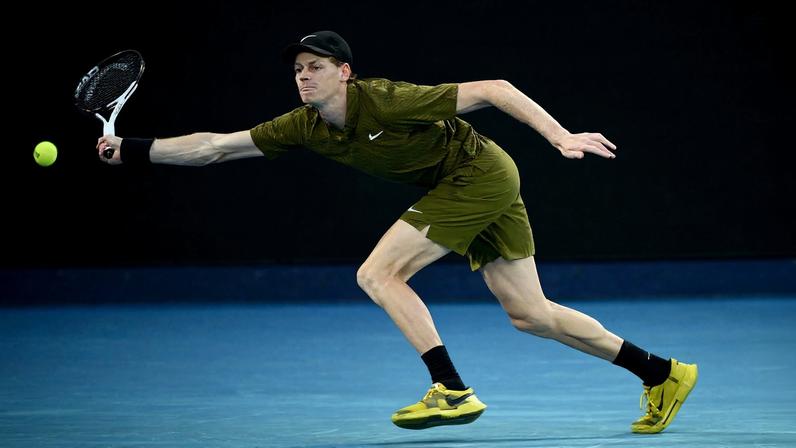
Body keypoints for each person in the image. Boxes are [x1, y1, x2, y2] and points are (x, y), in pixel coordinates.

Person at [96, 30, 698, 433]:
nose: (304, 78)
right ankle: (662, 373)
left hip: (477, 174)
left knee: (377, 273)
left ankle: (452, 388)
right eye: (299, 70)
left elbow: (496, 90)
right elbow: (216, 148)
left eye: (316, 68)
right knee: (532, 315)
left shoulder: (385, 101)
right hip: (472, 185)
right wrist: (134, 151)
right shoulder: (304, 126)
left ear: (345, 73)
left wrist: (561, 137)